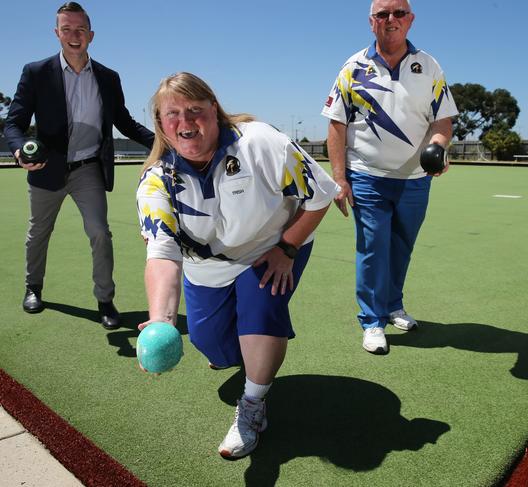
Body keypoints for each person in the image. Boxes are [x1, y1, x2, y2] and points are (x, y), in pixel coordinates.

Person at [136, 72, 337, 459]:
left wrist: (287, 248)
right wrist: (161, 320)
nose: (185, 121)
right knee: (216, 349)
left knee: (260, 313)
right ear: (160, 124)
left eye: (195, 109)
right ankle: (240, 355)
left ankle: (253, 406)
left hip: (271, 247)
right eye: (172, 113)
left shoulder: (261, 142)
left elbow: (320, 196)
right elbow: (162, 255)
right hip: (207, 268)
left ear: (214, 109)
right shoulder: (155, 181)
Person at [4, 2, 154, 329]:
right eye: (67, 29)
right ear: (57, 33)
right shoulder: (36, 72)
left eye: (80, 29)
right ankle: (34, 287)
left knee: (100, 232)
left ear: (91, 35)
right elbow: (13, 123)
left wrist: (161, 142)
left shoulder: (108, 77)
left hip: (88, 169)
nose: (74, 36)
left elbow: (125, 122)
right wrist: (18, 151)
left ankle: (105, 300)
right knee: (37, 234)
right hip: (46, 168)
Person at [321, 0, 458, 354]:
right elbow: (336, 126)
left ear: (410, 20)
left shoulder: (428, 65)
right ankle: (371, 321)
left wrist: (439, 146)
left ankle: (393, 305)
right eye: (383, 14)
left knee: (401, 247)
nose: (391, 20)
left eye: (398, 13)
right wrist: (340, 178)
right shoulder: (353, 68)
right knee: (372, 249)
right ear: (372, 23)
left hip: (415, 178)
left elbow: (442, 120)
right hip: (368, 175)